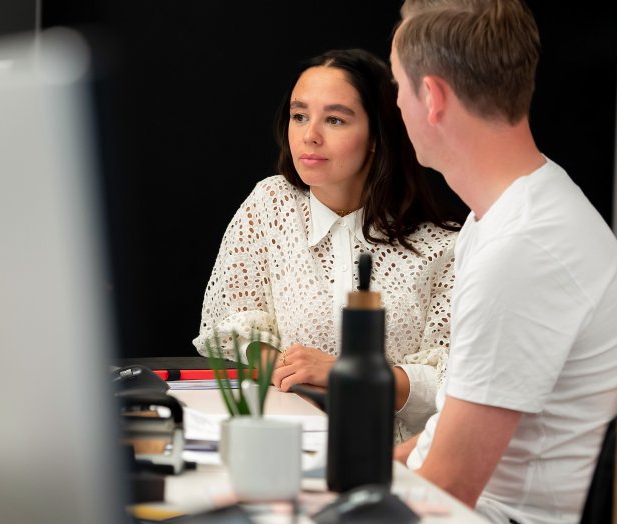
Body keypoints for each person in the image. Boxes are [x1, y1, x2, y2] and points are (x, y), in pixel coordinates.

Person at [389, 1, 617, 523]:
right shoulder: (506, 214)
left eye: (398, 84)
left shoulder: (521, 247)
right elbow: (450, 433)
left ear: (432, 97)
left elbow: (446, 491)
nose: (396, 102)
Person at [192, 48, 459, 441]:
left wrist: (343, 374)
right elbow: (233, 321)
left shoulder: (442, 247)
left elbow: (453, 386)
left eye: (335, 119)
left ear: (376, 136)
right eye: (299, 116)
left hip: (400, 458)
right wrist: (278, 365)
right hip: (288, 443)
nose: (309, 135)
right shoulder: (270, 206)